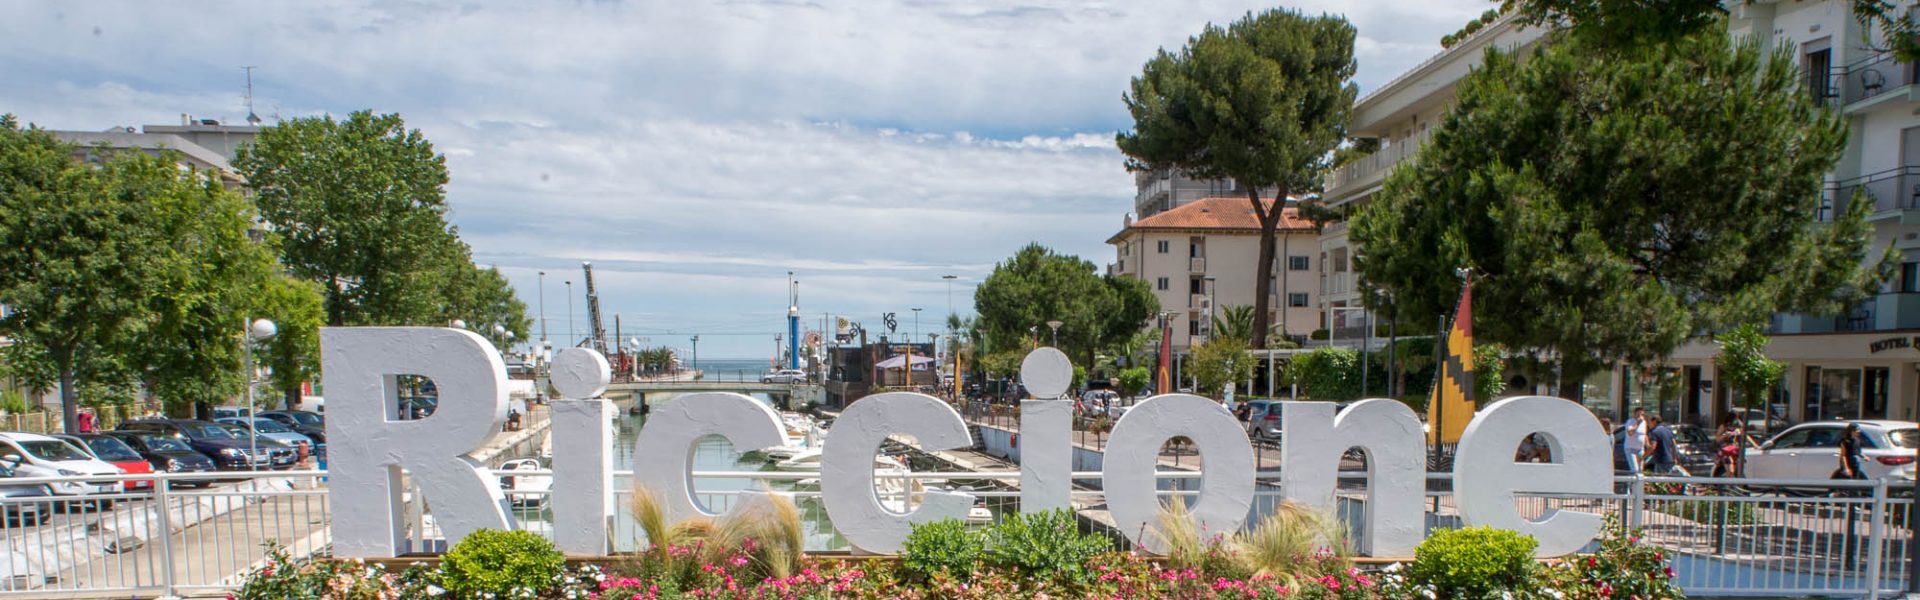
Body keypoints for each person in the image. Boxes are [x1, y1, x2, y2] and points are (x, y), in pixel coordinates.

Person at [1621, 408, 1648, 475]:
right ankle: (1631, 484)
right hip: (1630, 448)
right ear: (1634, 414)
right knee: (1634, 470)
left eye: (1642, 414)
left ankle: (1637, 485)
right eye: (1638, 414)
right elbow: (1630, 433)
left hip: (1640, 449)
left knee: (1640, 470)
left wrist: (1648, 445)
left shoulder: (1644, 422)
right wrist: (1637, 423)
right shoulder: (1630, 422)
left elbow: (1644, 434)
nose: (1640, 416)